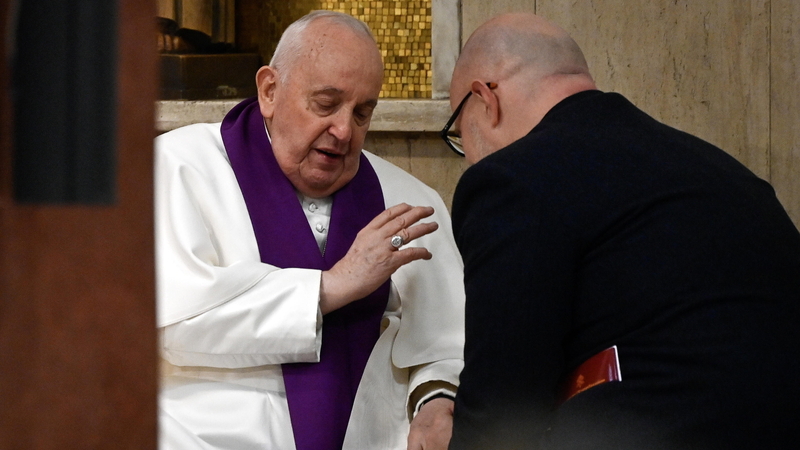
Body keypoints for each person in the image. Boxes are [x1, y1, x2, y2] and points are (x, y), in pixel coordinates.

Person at [443, 12, 800, 450]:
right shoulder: (721, 169)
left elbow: (500, 407)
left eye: (459, 133)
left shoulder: (513, 180)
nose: (468, 156)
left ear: (485, 99)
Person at [155, 10, 465, 450]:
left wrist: (436, 402)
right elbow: (172, 321)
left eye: (362, 112)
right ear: (269, 90)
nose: (344, 130)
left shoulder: (409, 203)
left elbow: (446, 342)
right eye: (325, 104)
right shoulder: (178, 167)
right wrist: (331, 287)